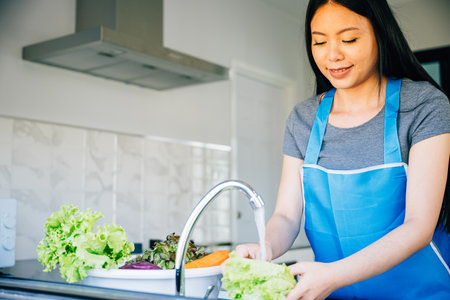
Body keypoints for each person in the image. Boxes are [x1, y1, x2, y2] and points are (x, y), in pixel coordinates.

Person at [234, 0, 450, 299]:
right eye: (319, 41)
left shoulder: (423, 106)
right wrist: (265, 246)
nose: (332, 55)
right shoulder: (304, 118)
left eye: (349, 39)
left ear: (380, 35)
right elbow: (286, 215)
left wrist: (335, 274)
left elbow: (419, 225)